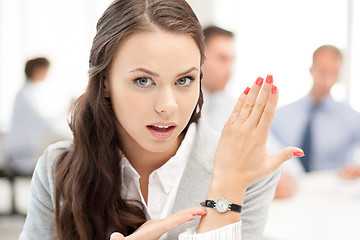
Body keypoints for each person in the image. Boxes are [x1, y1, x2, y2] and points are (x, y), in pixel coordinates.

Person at [19, 1, 303, 239]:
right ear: (105, 82)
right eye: (143, 80)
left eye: (184, 80)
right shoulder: (58, 168)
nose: (167, 106)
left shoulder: (245, 173)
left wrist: (227, 183)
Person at [272, 45, 360, 198]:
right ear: (311, 70)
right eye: (322, 71)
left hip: (333, 197)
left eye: (334, 73)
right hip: (288, 196)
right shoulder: (281, 116)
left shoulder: (351, 118)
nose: (327, 80)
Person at [2, 58, 70, 176]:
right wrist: (65, 114)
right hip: (20, 153)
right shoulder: (24, 95)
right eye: (45, 70)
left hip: (26, 150)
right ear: (37, 70)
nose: (47, 74)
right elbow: (42, 122)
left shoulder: (30, 93)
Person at [201, 26, 236, 132]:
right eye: (222, 59)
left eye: (232, 60)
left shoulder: (234, 108)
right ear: (200, 57)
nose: (229, 70)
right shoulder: (178, 105)